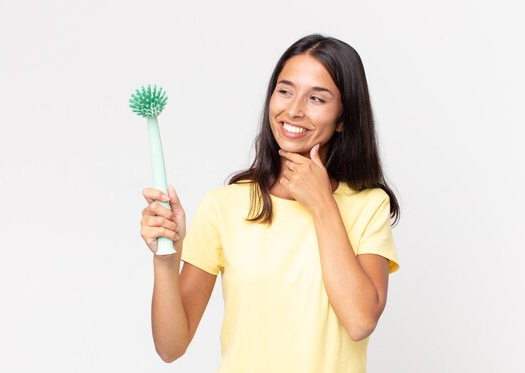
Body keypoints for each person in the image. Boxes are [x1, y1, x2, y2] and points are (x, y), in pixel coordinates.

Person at [139, 34, 401, 373]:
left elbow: (360, 320)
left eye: (317, 98)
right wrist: (166, 258)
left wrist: (322, 205)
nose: (293, 110)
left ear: (343, 119)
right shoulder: (225, 205)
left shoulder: (368, 205)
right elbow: (171, 347)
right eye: (285, 91)